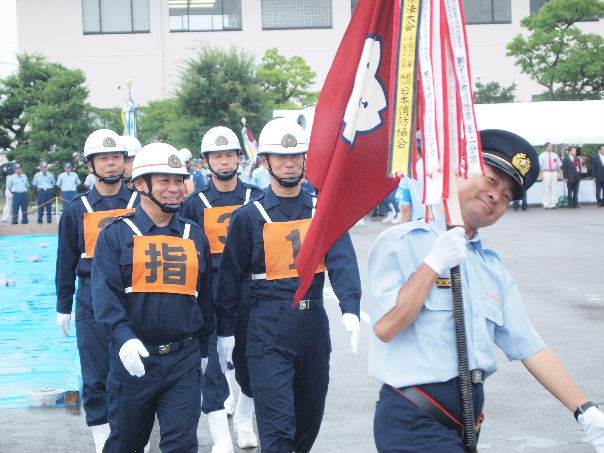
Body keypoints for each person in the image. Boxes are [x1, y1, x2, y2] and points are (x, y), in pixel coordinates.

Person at [368, 129, 604, 453]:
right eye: (492, 180)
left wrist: (585, 411)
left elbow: (530, 347)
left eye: (508, 195)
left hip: (465, 425)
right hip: (413, 421)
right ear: (462, 171)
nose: (497, 196)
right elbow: (386, 327)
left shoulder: (490, 268)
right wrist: (433, 263)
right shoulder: (402, 243)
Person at [216, 118, 362, 453]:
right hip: (267, 329)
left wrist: (350, 306)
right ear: (265, 161)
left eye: (296, 155)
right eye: (280, 157)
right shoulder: (248, 217)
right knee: (278, 429)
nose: (290, 162)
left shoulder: (321, 210)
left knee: (307, 424)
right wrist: (225, 332)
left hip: (312, 327)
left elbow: (341, 258)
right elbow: (230, 279)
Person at [91, 142, 214, 453]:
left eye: (179, 180)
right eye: (164, 181)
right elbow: (105, 296)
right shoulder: (116, 235)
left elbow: (205, 297)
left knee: (181, 444)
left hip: (182, 359)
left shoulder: (194, 235)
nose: (174, 189)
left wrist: (204, 348)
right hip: (135, 359)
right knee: (125, 444)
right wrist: (123, 338)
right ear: (141, 184)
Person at [55, 129, 138, 453]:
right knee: (96, 377)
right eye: (103, 158)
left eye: (116, 157)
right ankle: (103, 441)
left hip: (134, 295)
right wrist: (64, 305)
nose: (111, 164)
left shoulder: (138, 203)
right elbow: (66, 259)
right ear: (91, 164)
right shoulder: (77, 208)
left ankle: (133, 436)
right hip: (90, 299)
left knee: (135, 374)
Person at [181, 126, 263, 452]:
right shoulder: (194, 204)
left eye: (230, 154)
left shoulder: (256, 197)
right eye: (217, 155)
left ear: (239, 158)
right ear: (207, 161)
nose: (224, 161)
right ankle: (221, 436)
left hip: (249, 294)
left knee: (250, 359)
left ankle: (244, 419)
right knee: (212, 364)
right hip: (209, 293)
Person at [538, 142, 561, 209]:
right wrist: (540, 175)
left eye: (552, 146)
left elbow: (558, 165)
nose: (552, 147)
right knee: (546, 189)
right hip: (546, 173)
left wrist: (559, 173)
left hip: (554, 172)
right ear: (546, 147)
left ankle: (553, 204)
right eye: (550, 146)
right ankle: (546, 205)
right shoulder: (542, 156)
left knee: (554, 189)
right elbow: (540, 167)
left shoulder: (555, 155)